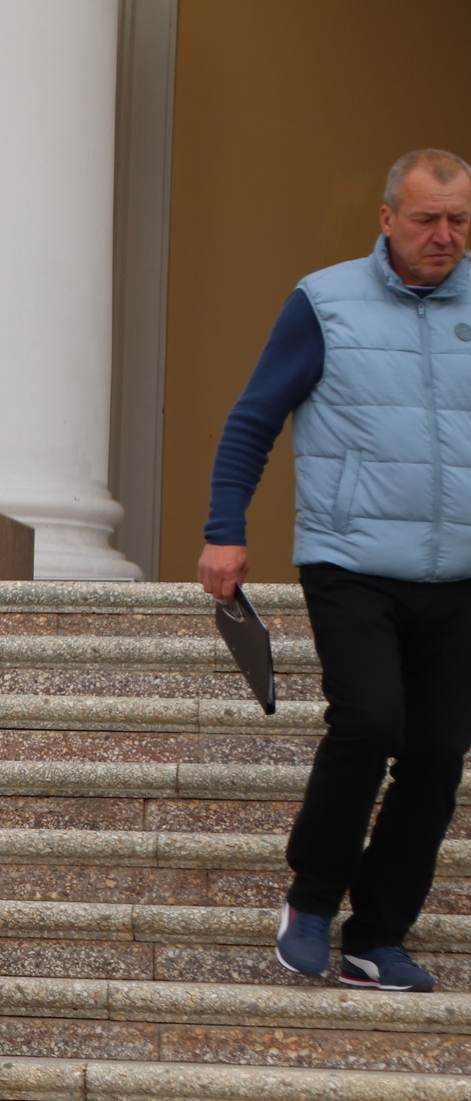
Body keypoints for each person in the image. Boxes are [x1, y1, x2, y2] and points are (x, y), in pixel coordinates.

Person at [200, 148, 471, 994]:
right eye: (427, 218)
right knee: (369, 724)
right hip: (352, 561)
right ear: (387, 219)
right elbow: (254, 418)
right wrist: (224, 530)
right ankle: (313, 898)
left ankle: (377, 933)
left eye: (460, 220)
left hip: (459, 573)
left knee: (437, 753)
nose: (445, 236)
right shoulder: (324, 301)